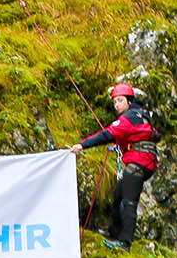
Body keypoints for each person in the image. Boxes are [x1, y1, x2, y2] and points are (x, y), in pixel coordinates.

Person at [67, 84, 158, 249]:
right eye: (115, 102)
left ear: (129, 101)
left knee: (128, 202)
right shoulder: (142, 115)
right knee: (118, 196)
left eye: (120, 101)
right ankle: (114, 231)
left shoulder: (127, 118)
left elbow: (107, 135)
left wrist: (82, 145)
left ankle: (125, 242)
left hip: (138, 163)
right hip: (144, 162)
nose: (117, 105)